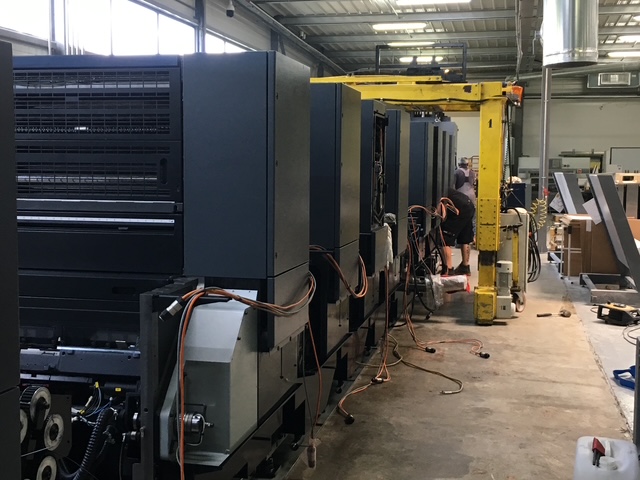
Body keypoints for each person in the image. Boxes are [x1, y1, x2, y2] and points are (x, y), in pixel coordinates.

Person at [440, 187, 475, 275]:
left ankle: (448, 269)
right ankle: (465, 267)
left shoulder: (436, 192)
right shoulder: (444, 188)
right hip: (469, 205)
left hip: (459, 208)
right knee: (465, 237)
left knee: (444, 238)